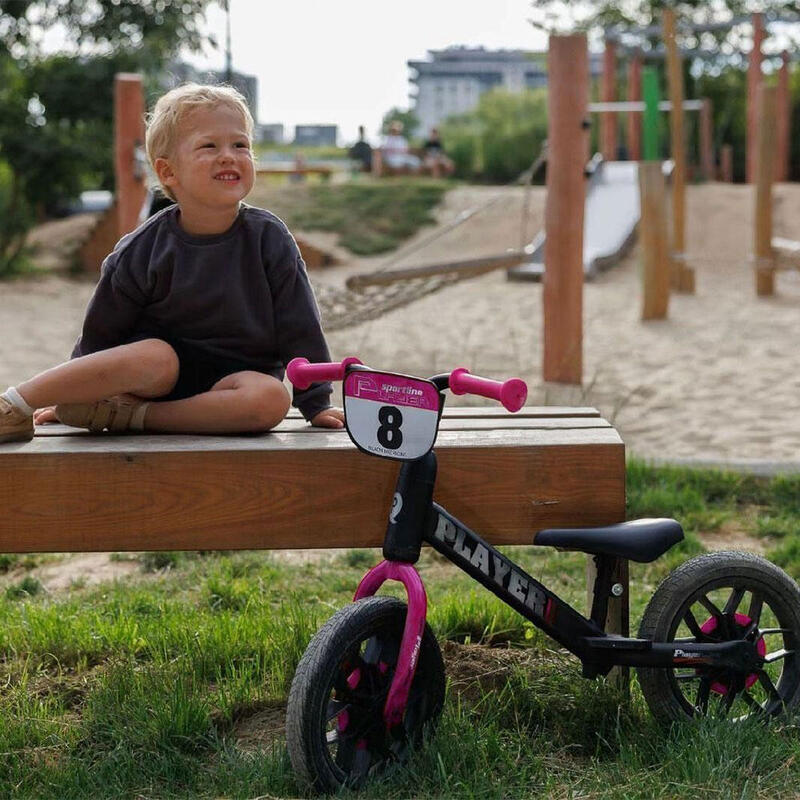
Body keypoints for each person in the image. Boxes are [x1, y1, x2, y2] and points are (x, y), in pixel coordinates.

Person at [0, 83, 344, 444]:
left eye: (240, 145)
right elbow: (101, 334)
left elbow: (299, 322)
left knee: (271, 400)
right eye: (209, 146)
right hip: (157, 378)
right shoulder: (142, 249)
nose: (229, 155)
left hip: (234, 384)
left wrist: (315, 402)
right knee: (156, 356)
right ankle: (15, 403)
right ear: (168, 172)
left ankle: (135, 419)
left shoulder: (269, 239)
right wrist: (72, 394)